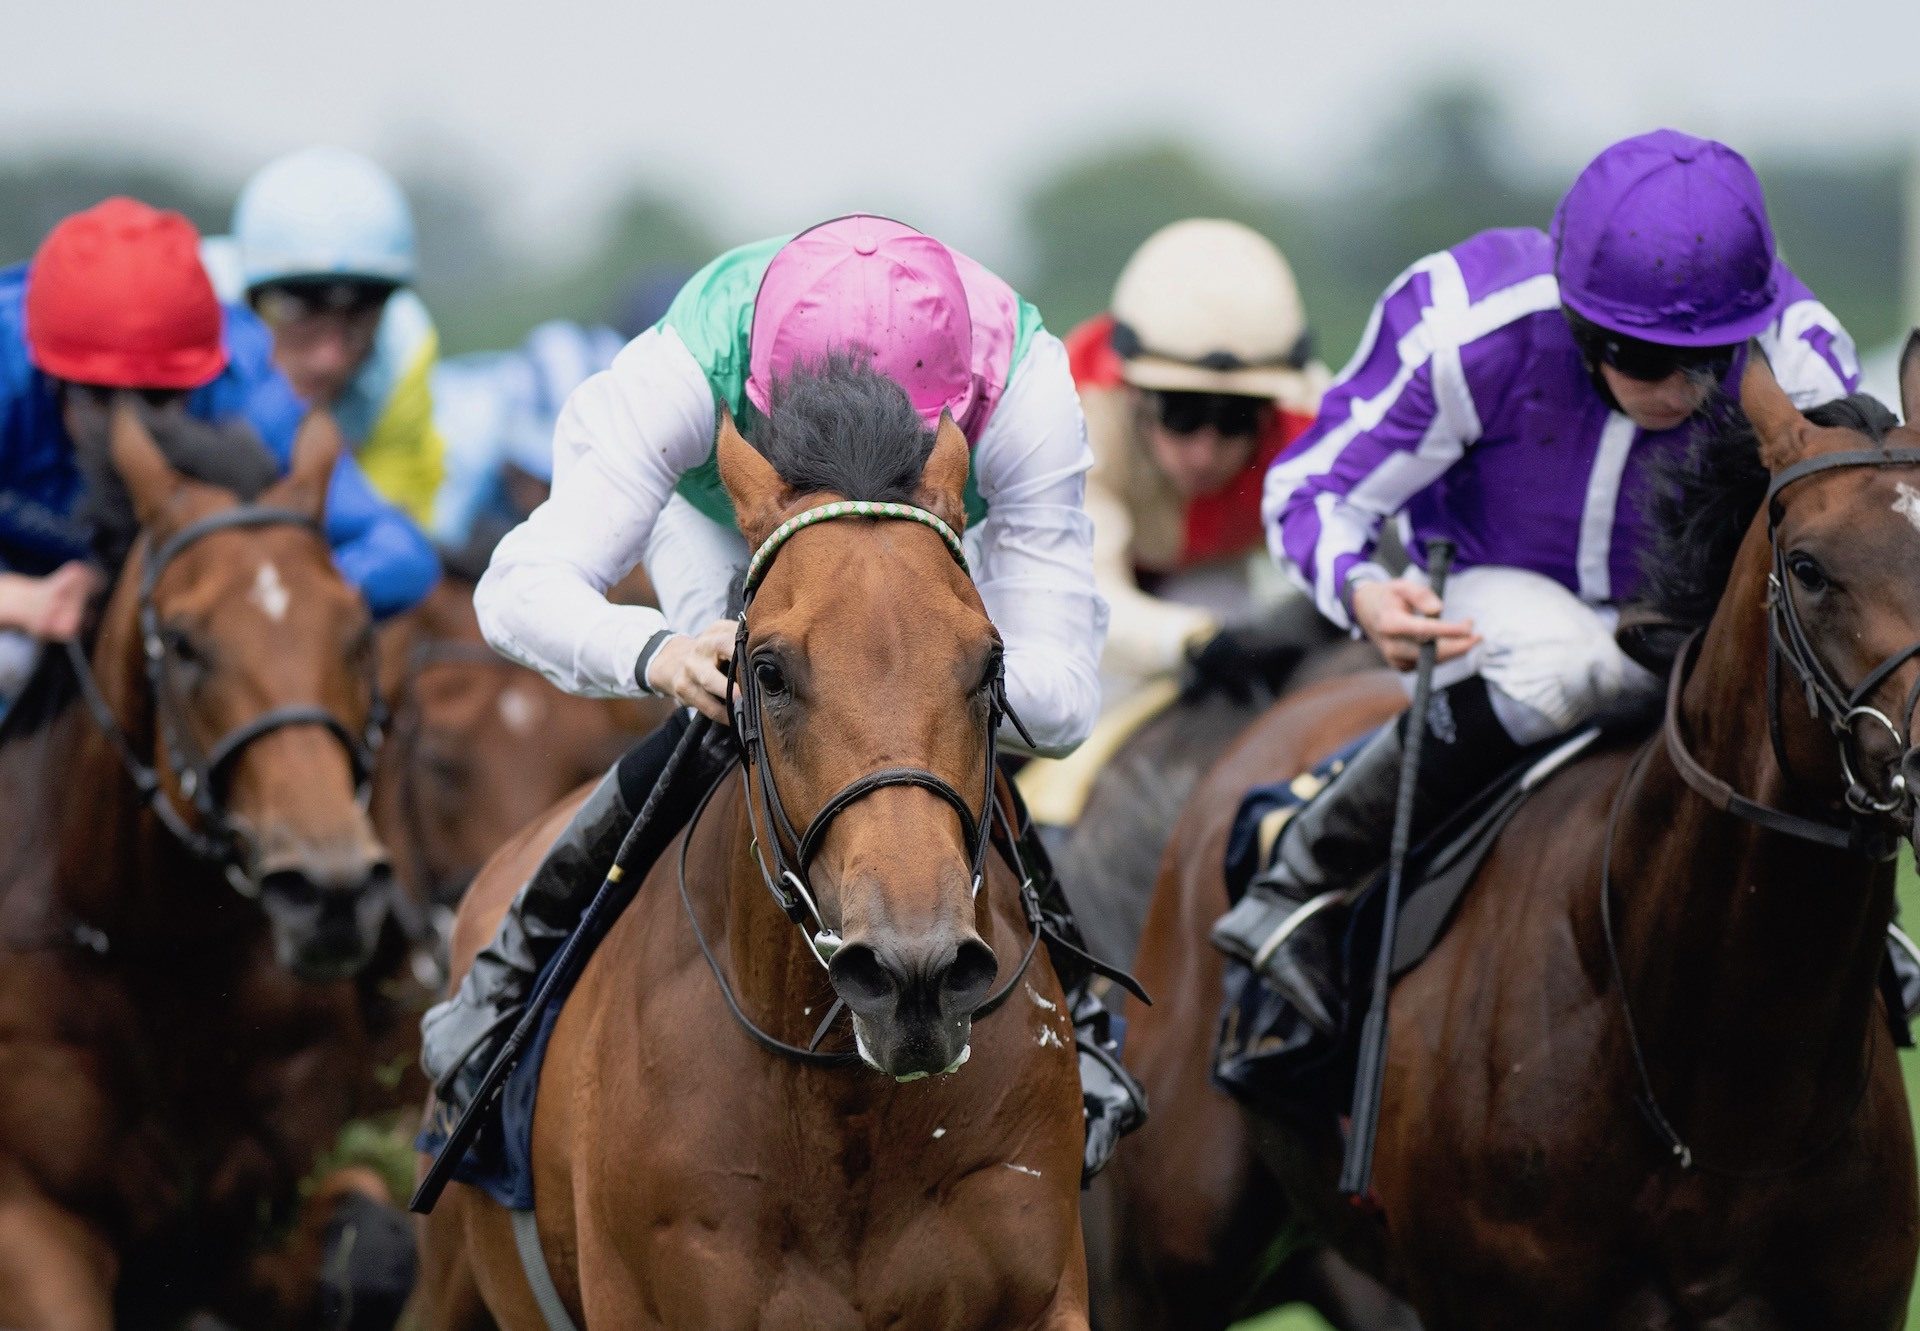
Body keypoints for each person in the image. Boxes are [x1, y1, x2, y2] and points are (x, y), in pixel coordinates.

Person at [422, 214, 1111, 1121]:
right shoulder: (681, 369)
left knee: (944, 716)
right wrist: (662, 655)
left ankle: (1083, 1019)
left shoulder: (1024, 385)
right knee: (731, 708)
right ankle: (509, 972)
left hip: (932, 553)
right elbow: (516, 589)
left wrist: (939, 675)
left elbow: (1064, 705)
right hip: (723, 522)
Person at [1212, 130, 1861, 1032]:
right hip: (1498, 598)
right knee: (1572, 661)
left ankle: (1874, 932)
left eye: (1708, 361)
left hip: (1695, 628)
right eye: (1641, 358)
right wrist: (1360, 590)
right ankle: (1309, 875)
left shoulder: (1798, 358)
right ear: (1583, 323)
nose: (1676, 391)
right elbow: (1310, 489)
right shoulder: (1466, 327)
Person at [0, 198, 437, 701]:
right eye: (101, 398)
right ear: (50, 376)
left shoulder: (243, 384)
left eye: (159, 398)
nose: (130, 433)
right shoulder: (9, 366)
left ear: (202, 375)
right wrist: (21, 602)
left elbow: (401, 551)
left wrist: (261, 591)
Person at [1067, 218, 1329, 699]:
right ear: (1135, 396)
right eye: (1182, 414)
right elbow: (1085, 597)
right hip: (1087, 594)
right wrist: (1194, 639)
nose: (1206, 452)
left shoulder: (1312, 421)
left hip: (1214, 579)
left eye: (1236, 419)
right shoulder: (1076, 410)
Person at [205, 147, 447, 527]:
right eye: (299, 314)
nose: (329, 358)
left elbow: (396, 513)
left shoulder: (405, 345)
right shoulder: (193, 315)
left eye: (360, 318)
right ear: (246, 298)